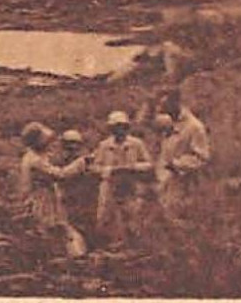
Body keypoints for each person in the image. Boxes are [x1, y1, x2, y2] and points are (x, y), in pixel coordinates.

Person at [16, 122, 89, 257]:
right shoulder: (35, 160)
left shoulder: (34, 156)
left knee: (56, 232)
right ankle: (74, 259)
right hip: (42, 200)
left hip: (45, 197)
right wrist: (81, 163)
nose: (49, 143)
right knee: (55, 231)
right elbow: (60, 175)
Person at [90, 110, 154, 245]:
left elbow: (148, 164)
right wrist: (110, 170)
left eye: (123, 127)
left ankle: (134, 243)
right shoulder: (104, 145)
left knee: (132, 214)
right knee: (108, 215)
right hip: (110, 185)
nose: (120, 130)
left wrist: (133, 167)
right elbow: (94, 167)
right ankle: (110, 243)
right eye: (116, 127)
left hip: (130, 183)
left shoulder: (136, 144)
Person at [154, 88, 212, 215]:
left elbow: (202, 158)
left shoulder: (194, 127)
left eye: (165, 105)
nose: (161, 109)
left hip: (184, 185)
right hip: (164, 184)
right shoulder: (168, 124)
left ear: (176, 103)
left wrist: (176, 164)